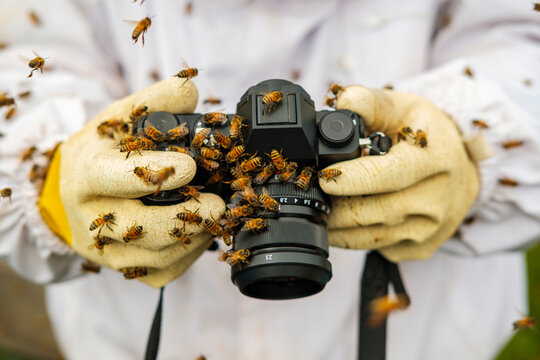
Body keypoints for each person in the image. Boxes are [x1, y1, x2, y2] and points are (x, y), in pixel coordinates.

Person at [1, 0, 539, 359]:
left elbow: (523, 33)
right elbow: (22, 48)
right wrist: (51, 179)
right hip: (130, 332)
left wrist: (469, 144)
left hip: (424, 338)